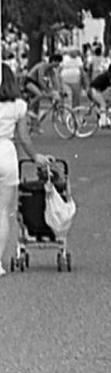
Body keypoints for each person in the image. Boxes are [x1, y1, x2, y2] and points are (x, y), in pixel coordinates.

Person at [0, 64, 39, 274]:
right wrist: (36, 157)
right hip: (6, 153)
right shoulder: (19, 105)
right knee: (3, 212)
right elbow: (24, 138)